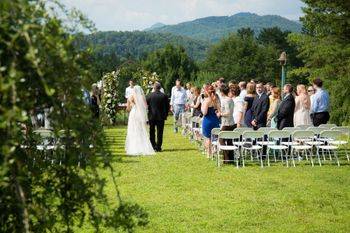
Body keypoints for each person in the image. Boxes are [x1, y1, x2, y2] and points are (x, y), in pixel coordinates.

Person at [125, 86, 155, 156]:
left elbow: (128, 108)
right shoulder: (142, 97)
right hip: (139, 114)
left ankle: (133, 147)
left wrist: (131, 105)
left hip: (133, 114)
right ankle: (142, 146)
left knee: (133, 130)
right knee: (140, 130)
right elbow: (146, 106)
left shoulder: (130, 97)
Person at [147, 83, 169, 152]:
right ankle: (158, 147)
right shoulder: (164, 96)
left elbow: (146, 105)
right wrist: (166, 115)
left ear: (154, 88)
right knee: (160, 132)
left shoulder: (149, 95)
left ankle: (153, 146)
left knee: (152, 131)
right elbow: (167, 107)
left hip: (152, 116)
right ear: (160, 88)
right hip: (161, 117)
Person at [201, 85, 220, 157]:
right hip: (215, 120)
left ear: (206, 91)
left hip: (208, 120)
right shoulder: (216, 99)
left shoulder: (207, 100)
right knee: (215, 136)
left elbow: (204, 112)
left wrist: (202, 108)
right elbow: (219, 110)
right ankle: (215, 151)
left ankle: (209, 153)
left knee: (208, 137)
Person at [217, 84, 235, 163]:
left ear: (222, 92)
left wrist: (220, 114)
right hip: (230, 123)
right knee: (230, 141)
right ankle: (230, 159)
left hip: (227, 123)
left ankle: (227, 159)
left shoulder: (226, 100)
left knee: (221, 139)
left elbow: (228, 113)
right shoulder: (228, 99)